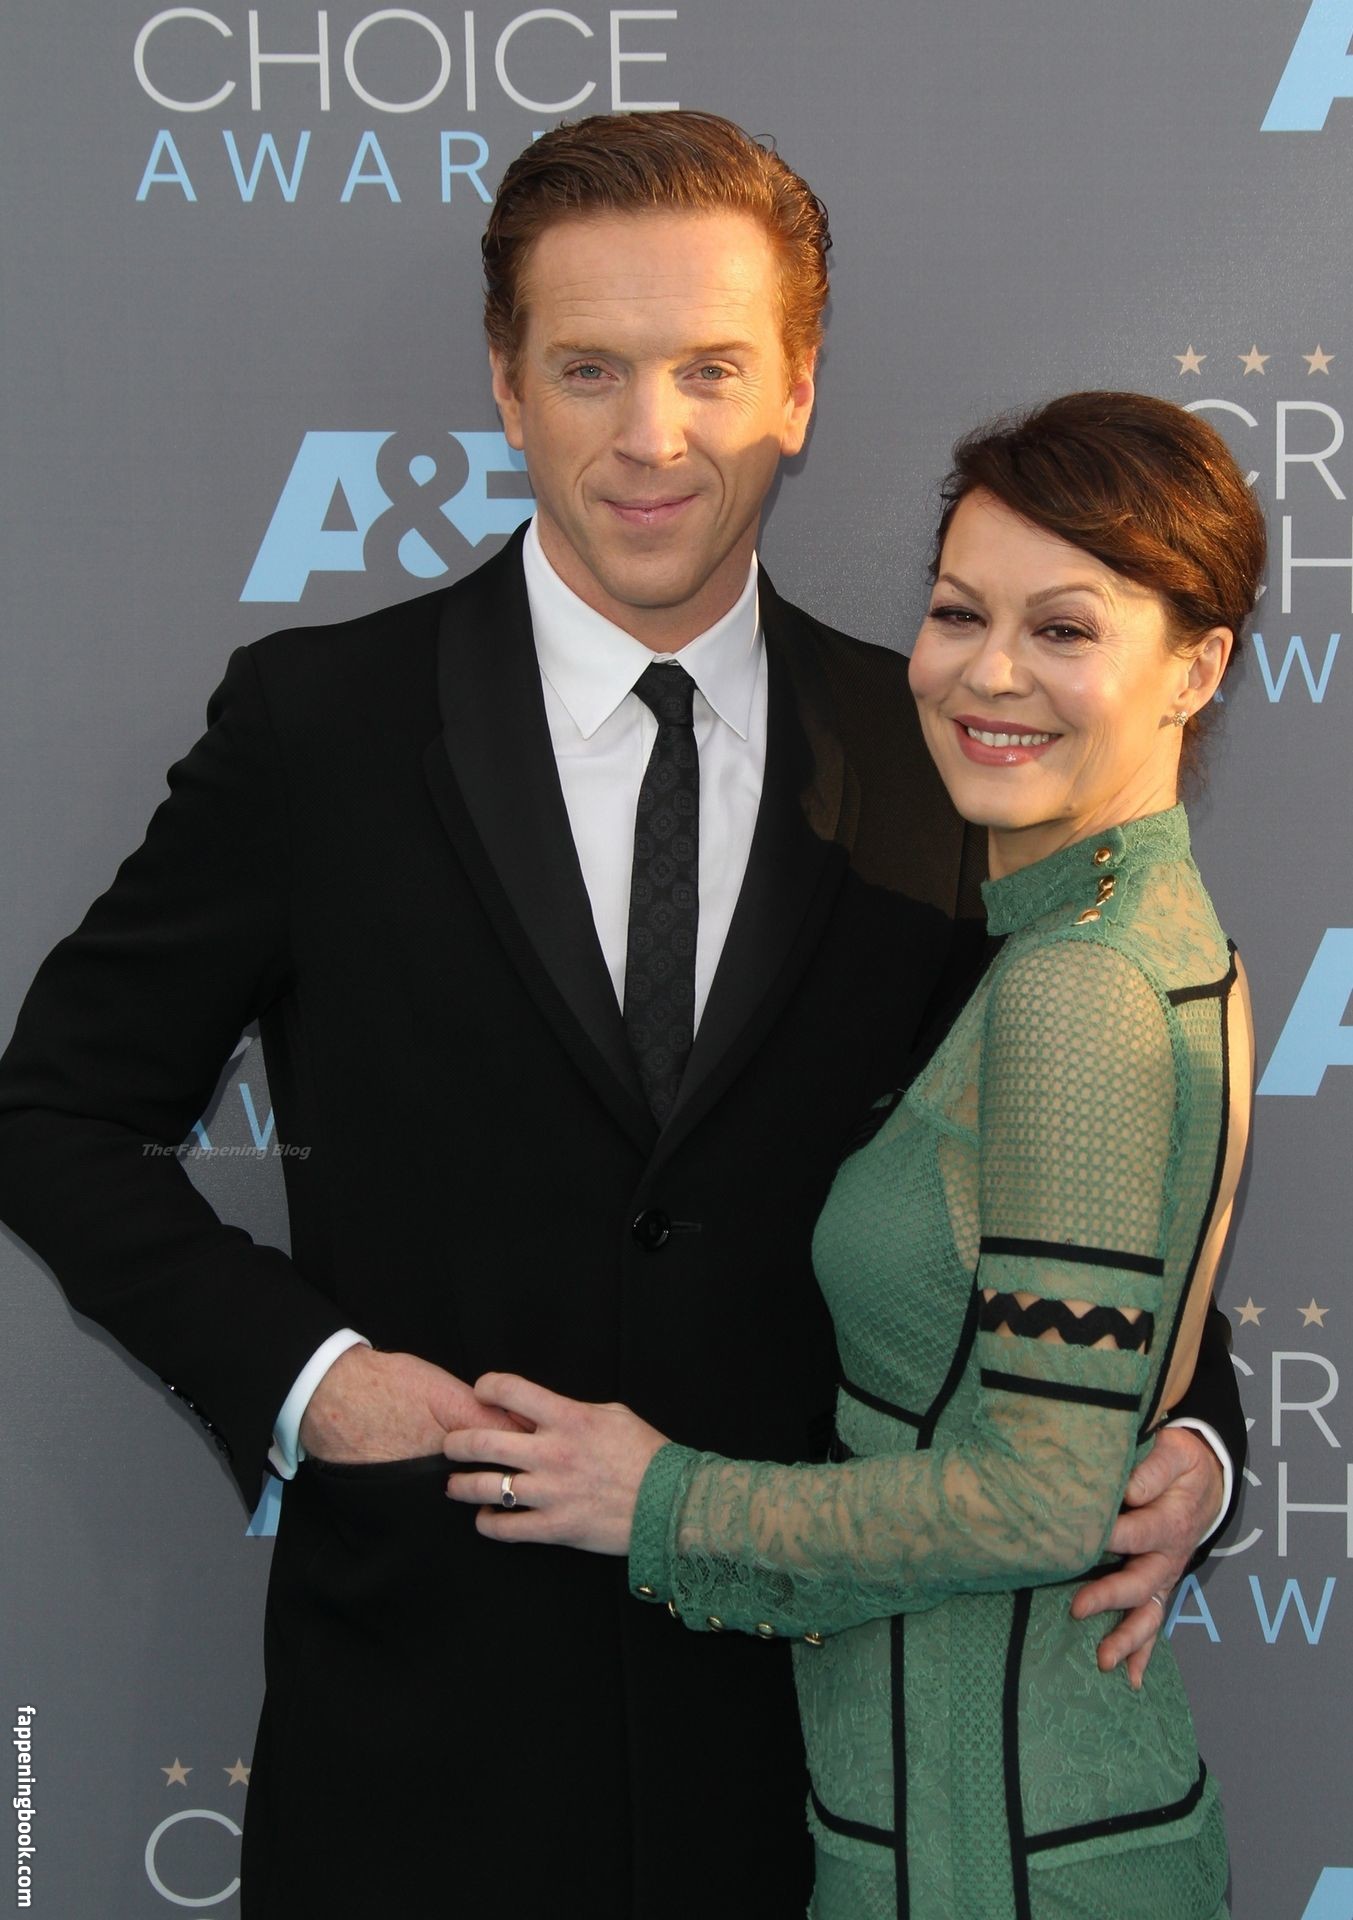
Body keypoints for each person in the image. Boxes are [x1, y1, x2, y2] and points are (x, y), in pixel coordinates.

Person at [0, 111, 1242, 1916]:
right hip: (422, 1741)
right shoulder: (320, 730)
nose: (652, 436)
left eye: (711, 369)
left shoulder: (943, 756)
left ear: (798, 389)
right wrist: (310, 1380)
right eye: (589, 368)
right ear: (507, 388)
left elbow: (1066, 1155)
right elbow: (54, 1111)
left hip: (815, 1769)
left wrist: (1192, 1435)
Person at [445, 391, 1264, 1919]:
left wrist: (661, 1500)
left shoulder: (1080, 986)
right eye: (957, 613)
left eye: (1063, 629)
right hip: (971, 1824)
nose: (988, 672)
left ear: (1196, 667)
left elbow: (1033, 1503)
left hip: (993, 1858)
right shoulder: (1111, 933)